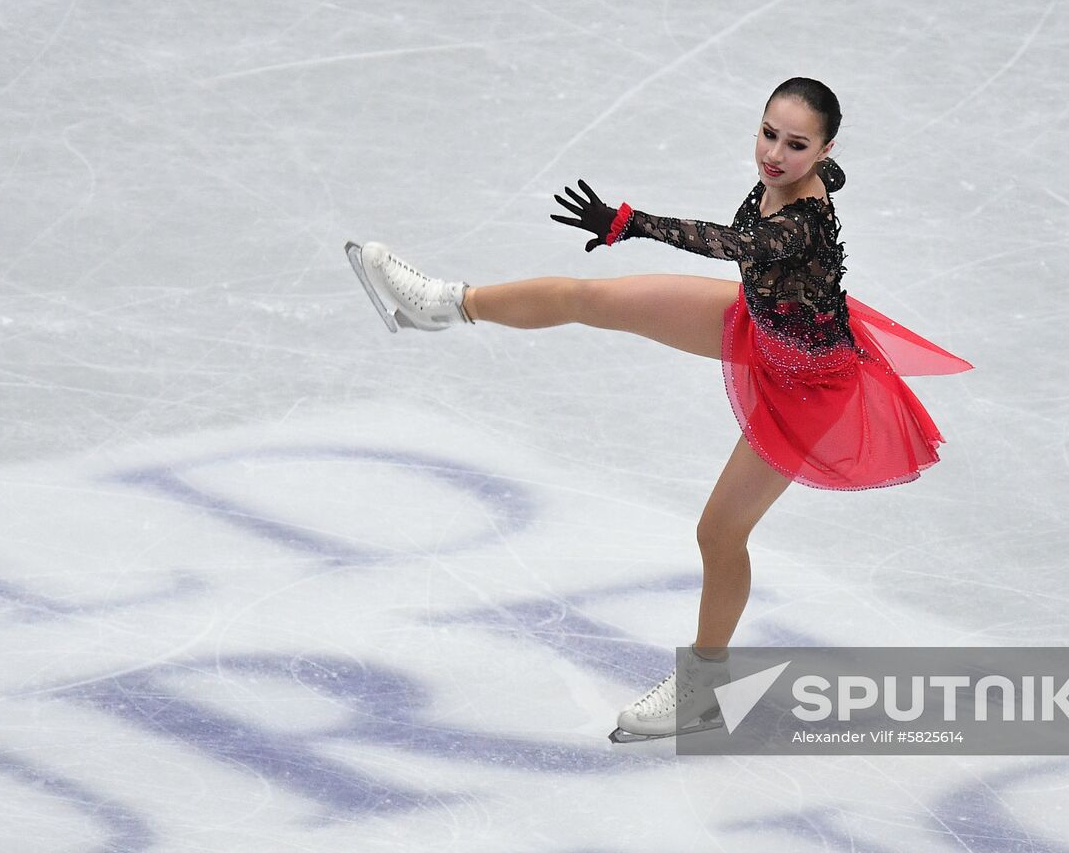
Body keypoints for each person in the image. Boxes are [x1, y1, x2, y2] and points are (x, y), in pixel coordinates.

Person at [346, 77, 973, 742]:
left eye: (796, 145)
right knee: (593, 300)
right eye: (768, 134)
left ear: (824, 149)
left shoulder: (799, 222)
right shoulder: (792, 178)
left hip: (809, 385)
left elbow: (732, 245)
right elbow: (770, 221)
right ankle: (440, 303)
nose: (775, 155)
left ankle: (704, 688)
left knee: (718, 534)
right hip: (760, 328)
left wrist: (632, 222)